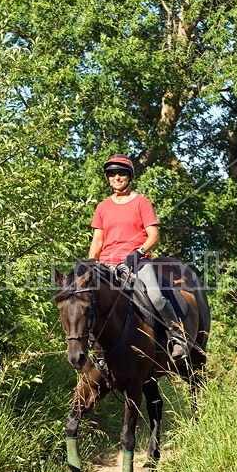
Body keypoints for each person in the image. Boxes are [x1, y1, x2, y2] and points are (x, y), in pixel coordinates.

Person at [88, 153, 188, 361]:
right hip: (107, 264)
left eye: (121, 173)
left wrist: (139, 252)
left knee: (156, 297)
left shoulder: (142, 202)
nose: (117, 177)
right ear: (108, 177)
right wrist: (90, 264)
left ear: (129, 176)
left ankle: (178, 338)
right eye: (112, 174)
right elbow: (98, 240)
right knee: (86, 299)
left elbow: (154, 235)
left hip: (137, 262)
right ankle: (90, 347)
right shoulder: (102, 207)